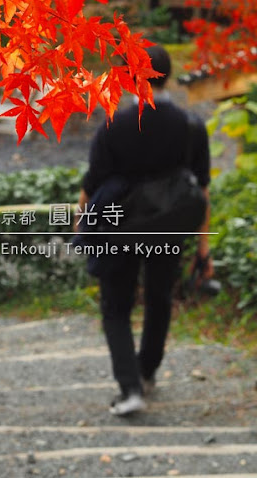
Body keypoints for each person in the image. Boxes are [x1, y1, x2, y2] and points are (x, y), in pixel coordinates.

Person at [75, 45, 214, 416]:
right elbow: (201, 191)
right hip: (167, 229)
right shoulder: (190, 126)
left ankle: (130, 388)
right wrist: (203, 249)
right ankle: (147, 372)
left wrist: (83, 225)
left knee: (115, 308)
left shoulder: (115, 126)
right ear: (168, 75)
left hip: (120, 227)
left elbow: (91, 185)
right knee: (159, 300)